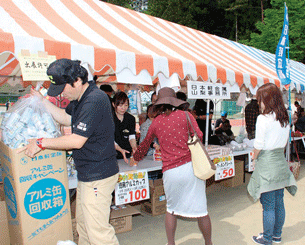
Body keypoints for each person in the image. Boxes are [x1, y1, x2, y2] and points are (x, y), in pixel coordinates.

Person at [19, 59, 120, 245]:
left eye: (63, 88)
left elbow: (76, 141)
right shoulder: (81, 98)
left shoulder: (95, 99)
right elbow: (67, 118)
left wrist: (40, 142)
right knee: (83, 228)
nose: (62, 93)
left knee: (98, 233)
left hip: (98, 175)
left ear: (77, 81)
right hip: (87, 175)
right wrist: (41, 102)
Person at [130, 87, 213, 245]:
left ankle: (171, 243)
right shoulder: (186, 116)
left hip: (170, 172)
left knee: (171, 209)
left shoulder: (156, 122)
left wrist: (135, 157)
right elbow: (199, 136)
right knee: (202, 211)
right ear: (175, 101)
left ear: (159, 104)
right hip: (190, 169)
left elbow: (145, 144)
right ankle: (209, 243)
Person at [247, 83, 297, 245]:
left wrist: (254, 158)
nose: (259, 103)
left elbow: (259, 145)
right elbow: (283, 143)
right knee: (279, 202)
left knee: (268, 205)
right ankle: (276, 235)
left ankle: (267, 238)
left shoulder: (263, 119)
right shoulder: (284, 117)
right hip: (279, 162)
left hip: (267, 163)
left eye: (260, 99)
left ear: (266, 100)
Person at [113, 91, 137, 160]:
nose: (123, 108)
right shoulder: (108, 118)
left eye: (126, 105)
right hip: (112, 155)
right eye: (120, 105)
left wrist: (134, 147)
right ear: (114, 104)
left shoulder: (131, 118)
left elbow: (131, 136)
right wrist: (120, 149)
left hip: (127, 154)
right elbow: (109, 139)